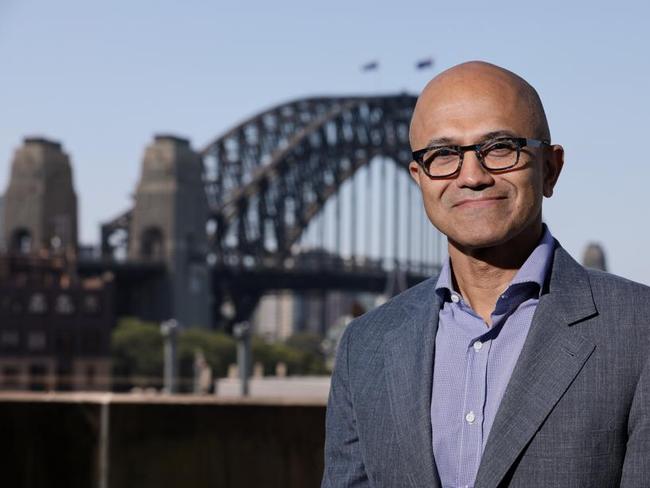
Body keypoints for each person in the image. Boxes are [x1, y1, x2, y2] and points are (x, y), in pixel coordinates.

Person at [321, 61, 650, 487]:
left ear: (550, 168)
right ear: (419, 179)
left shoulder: (640, 330)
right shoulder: (365, 346)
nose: (472, 176)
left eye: (499, 148)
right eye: (443, 155)